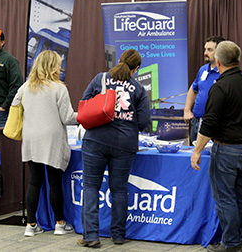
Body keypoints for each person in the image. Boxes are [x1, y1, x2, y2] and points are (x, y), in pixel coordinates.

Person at [77, 49, 151, 248]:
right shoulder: (139, 89)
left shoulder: (100, 79)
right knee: (119, 190)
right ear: (136, 69)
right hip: (124, 144)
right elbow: (144, 122)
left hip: (96, 140)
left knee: (91, 187)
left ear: (118, 61)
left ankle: (91, 236)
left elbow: (84, 104)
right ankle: (118, 235)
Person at [190, 41, 242, 252]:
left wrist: (197, 150)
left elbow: (209, 124)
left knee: (224, 196)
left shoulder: (220, 87)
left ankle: (230, 243)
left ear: (218, 62)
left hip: (227, 149)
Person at [12, 50, 77, 237]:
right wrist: (84, 116)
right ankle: (59, 224)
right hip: (52, 138)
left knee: (34, 181)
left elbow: (15, 106)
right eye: (57, 64)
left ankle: (31, 226)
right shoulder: (59, 88)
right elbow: (67, 118)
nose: (60, 67)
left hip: (31, 138)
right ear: (51, 66)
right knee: (55, 183)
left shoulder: (25, 87)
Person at [184, 36, 242, 145]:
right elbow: (193, 89)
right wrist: (187, 110)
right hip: (197, 123)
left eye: (210, 50)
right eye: (205, 49)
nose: (205, 53)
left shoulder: (229, 72)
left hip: (214, 126)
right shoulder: (203, 70)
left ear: (219, 52)